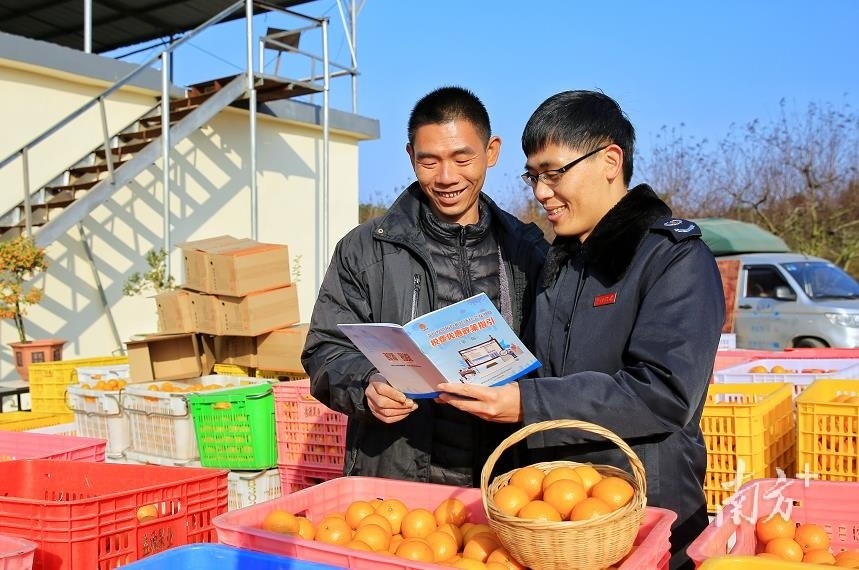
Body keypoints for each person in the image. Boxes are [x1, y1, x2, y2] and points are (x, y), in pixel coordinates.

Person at [435, 90, 725, 570]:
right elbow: (543, 369)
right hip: (557, 522)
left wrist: (527, 403)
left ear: (610, 160)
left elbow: (664, 392)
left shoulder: (673, 258)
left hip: (644, 518)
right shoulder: (563, 262)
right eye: (533, 176)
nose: (541, 192)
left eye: (554, 173)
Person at [301, 86, 548, 487]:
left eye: (462, 158)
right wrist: (367, 385)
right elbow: (324, 350)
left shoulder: (527, 250)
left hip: (505, 479)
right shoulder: (366, 250)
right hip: (399, 479)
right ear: (410, 157)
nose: (447, 177)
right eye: (429, 161)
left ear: (492, 151)